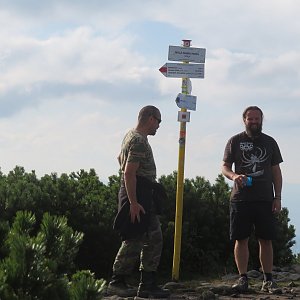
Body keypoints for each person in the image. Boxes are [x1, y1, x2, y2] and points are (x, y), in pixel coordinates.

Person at [107, 105, 170, 298]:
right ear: (151, 118)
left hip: (139, 193)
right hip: (138, 196)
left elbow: (120, 159)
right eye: (159, 121)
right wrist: (134, 202)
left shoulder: (130, 135)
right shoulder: (139, 141)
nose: (159, 126)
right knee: (136, 238)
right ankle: (121, 282)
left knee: (149, 237)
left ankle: (144, 283)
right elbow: (128, 172)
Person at [221, 106, 283, 294]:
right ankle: (243, 278)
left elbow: (276, 171)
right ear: (244, 120)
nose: (254, 122)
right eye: (250, 119)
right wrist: (233, 176)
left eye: (257, 119)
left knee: (266, 239)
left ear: (261, 119)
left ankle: (268, 279)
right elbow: (224, 166)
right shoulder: (235, 141)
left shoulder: (270, 142)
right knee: (241, 239)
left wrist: (277, 197)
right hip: (240, 199)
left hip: (265, 199)